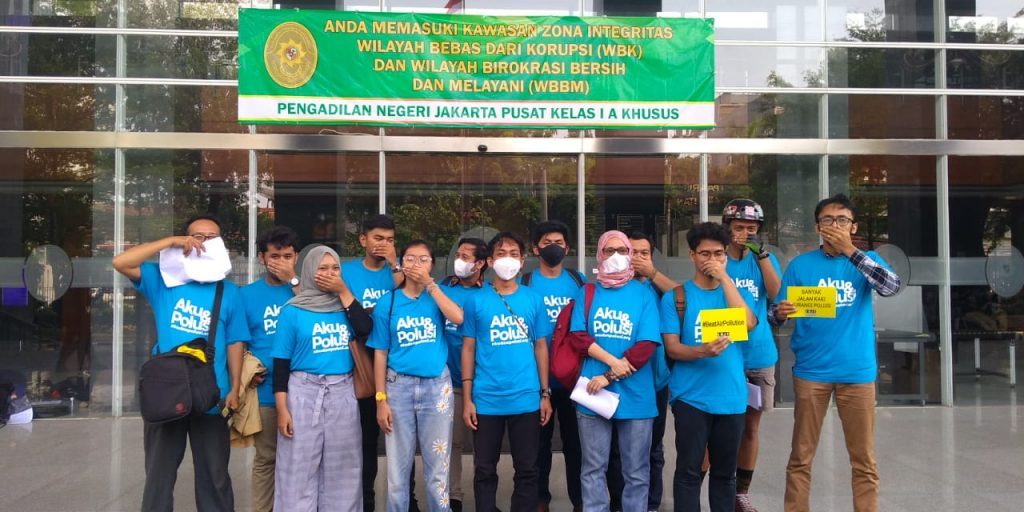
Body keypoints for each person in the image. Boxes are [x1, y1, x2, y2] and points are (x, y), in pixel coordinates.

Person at [112, 213, 250, 512]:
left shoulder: (228, 291)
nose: (203, 242)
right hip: (167, 392)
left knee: (214, 475)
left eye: (211, 237)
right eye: (197, 236)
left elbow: (235, 341)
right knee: (159, 475)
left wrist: (235, 387)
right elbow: (121, 262)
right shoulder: (164, 280)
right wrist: (171, 242)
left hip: (211, 393)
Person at [774, 194, 900, 512]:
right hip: (811, 371)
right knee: (801, 456)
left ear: (853, 226)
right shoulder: (801, 265)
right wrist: (780, 312)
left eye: (842, 220)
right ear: (818, 227)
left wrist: (850, 251)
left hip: (856, 372)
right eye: (828, 220)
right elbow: (776, 312)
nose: (835, 225)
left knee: (863, 458)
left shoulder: (867, 260)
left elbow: (891, 287)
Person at [661, 222, 757, 512]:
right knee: (688, 471)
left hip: (732, 398)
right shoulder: (676, 297)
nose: (711, 260)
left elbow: (749, 322)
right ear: (692, 255)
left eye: (718, 253)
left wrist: (725, 279)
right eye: (705, 254)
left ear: (726, 255)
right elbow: (672, 348)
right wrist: (700, 351)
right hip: (691, 397)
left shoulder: (735, 295)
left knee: (725, 475)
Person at [272, 245, 371, 511]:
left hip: (342, 391)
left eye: (335, 268)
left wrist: (343, 291)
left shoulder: (346, 306)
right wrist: (282, 409)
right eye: (323, 268)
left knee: (344, 469)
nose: (330, 273)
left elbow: (366, 329)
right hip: (303, 392)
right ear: (309, 271)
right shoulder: (293, 310)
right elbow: (280, 364)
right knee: (297, 468)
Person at [570, 230, 662, 512]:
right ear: (599, 254)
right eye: (609, 251)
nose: (616, 256)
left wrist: (608, 376)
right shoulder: (587, 292)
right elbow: (578, 337)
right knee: (592, 468)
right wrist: (612, 362)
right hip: (593, 393)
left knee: (636, 472)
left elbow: (646, 345)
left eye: (622, 250)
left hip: (636, 395)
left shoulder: (643, 294)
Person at [462, 231, 553, 512]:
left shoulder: (534, 299)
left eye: (514, 254)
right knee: (484, 470)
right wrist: (467, 399)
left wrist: (545, 394)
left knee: (527, 469)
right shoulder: (475, 301)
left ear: (522, 261)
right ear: (489, 262)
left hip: (526, 398)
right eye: (501, 254)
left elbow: (541, 347)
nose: (508, 259)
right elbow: (468, 349)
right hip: (486, 399)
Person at [371, 240, 465, 512]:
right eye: (410, 258)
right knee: (397, 473)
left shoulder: (439, 296)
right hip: (397, 387)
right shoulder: (388, 302)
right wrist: (381, 399)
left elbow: (458, 318)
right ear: (401, 264)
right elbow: (380, 353)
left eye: (424, 259)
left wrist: (431, 286)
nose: (417, 264)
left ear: (432, 265)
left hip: (437, 388)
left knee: (438, 470)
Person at [606, 231, 679, 512]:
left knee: (653, 448)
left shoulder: (659, 288)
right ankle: (618, 503)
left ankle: (650, 504)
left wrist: (653, 274)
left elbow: (685, 297)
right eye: (631, 252)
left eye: (643, 253)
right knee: (616, 449)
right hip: (616, 379)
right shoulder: (610, 287)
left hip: (654, 381)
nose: (636, 258)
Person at [341, 214, 408, 512]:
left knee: (401, 443)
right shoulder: (346, 271)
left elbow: (406, 299)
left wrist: (395, 263)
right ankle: (364, 501)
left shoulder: (399, 270)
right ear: (363, 239)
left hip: (398, 365)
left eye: (390, 240)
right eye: (378, 238)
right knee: (363, 440)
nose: (384, 244)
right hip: (360, 367)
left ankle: (406, 500)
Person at [721, 199, 782, 512]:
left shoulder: (764, 259)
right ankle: (710, 487)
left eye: (751, 228)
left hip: (758, 354)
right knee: (716, 426)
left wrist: (763, 256)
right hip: (723, 353)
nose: (745, 233)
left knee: (751, 428)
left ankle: (742, 492)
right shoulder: (718, 259)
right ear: (727, 229)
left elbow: (776, 293)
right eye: (739, 227)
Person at [522, 220, 586, 512]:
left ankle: (580, 501)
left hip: (573, 377)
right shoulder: (525, 282)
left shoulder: (577, 281)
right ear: (536, 249)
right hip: (537, 379)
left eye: (559, 243)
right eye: (547, 242)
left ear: (567, 248)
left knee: (576, 445)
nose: (553, 248)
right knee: (538, 446)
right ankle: (540, 501)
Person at [238, 226, 301, 512]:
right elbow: (237, 341)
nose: (281, 262)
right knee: (267, 458)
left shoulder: (306, 289)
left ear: (296, 257)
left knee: (302, 458)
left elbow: (317, 314)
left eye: (287, 256)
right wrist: (245, 371)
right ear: (262, 258)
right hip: (265, 392)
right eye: (275, 256)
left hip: (305, 389)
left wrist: (294, 280)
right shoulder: (246, 295)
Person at [439, 237, 491, 512]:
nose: (459, 261)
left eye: (466, 257)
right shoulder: (443, 289)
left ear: (480, 263)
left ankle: (485, 501)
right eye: (457, 255)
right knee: (453, 444)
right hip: (449, 380)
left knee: (485, 447)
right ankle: (454, 498)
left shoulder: (491, 294)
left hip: (483, 381)